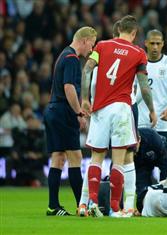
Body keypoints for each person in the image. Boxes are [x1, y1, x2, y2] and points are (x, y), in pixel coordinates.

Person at [81, 15, 157, 218]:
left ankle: (91, 204)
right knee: (119, 161)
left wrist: (85, 99)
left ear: (119, 29)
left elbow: (87, 70)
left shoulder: (102, 46)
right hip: (122, 109)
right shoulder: (139, 53)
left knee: (96, 159)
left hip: (100, 109)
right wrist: (151, 109)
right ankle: (116, 208)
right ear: (134, 33)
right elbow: (144, 87)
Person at [44, 26, 97, 216]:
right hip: (63, 112)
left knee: (58, 158)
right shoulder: (73, 59)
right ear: (83, 41)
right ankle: (81, 205)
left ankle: (53, 206)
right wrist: (78, 113)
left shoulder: (63, 55)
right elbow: (69, 88)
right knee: (76, 157)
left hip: (52, 110)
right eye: (91, 44)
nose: (92, 49)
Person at [136, 29, 167, 145]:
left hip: (163, 123)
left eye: (158, 44)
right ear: (146, 43)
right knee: (141, 161)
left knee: (165, 160)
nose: (155, 47)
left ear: (163, 44)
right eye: (152, 43)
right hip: (141, 122)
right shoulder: (137, 64)